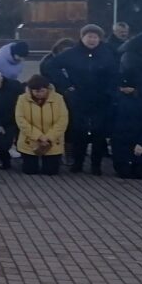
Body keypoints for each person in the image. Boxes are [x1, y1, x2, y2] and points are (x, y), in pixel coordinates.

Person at [42, 25, 117, 175]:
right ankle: (77, 163)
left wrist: (109, 90)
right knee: (78, 131)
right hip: (78, 97)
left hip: (100, 98)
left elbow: (115, 73)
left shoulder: (107, 53)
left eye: (95, 37)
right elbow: (51, 66)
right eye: (89, 36)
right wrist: (67, 85)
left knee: (98, 133)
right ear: (82, 37)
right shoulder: (72, 53)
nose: (92, 40)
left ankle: (96, 165)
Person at [107, 75, 142, 180]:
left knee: (138, 173)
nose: (124, 89)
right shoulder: (115, 99)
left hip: (139, 140)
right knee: (124, 172)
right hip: (120, 140)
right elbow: (110, 119)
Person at [15, 75, 68, 175]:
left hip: (52, 142)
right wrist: (38, 136)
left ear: (47, 89)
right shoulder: (22, 99)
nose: (39, 94)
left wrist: (48, 137)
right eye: (36, 91)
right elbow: (21, 120)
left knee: (50, 172)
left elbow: (63, 120)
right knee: (30, 171)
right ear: (30, 90)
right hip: (30, 141)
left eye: (42, 91)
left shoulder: (58, 99)